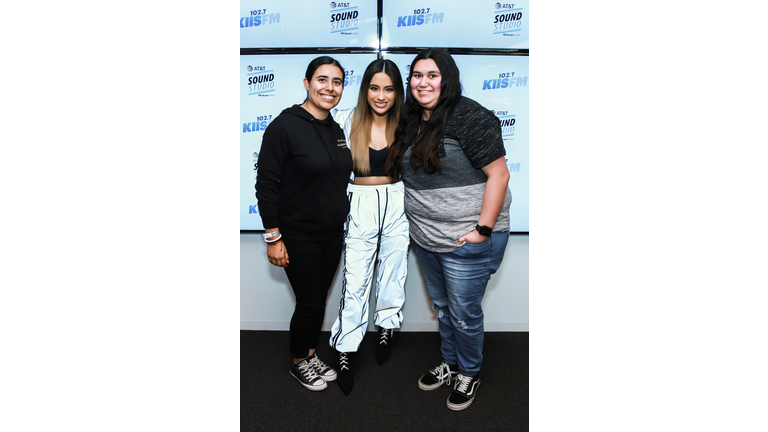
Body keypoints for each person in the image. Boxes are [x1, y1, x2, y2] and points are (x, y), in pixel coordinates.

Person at [385, 48, 512, 411]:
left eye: (432, 75)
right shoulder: (410, 119)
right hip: (426, 238)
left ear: (448, 78)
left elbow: (499, 174)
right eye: (417, 75)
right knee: (443, 308)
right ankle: (451, 363)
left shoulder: (470, 116)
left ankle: (469, 372)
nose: (423, 82)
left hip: (466, 237)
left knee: (463, 313)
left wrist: (482, 230)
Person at [255, 56, 352, 392]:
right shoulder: (284, 126)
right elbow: (266, 185)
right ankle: (299, 361)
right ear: (307, 82)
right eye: (322, 80)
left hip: (331, 234)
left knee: (318, 299)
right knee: (310, 301)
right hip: (297, 235)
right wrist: (273, 237)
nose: (330, 88)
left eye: (337, 82)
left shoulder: (335, 128)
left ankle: (311, 354)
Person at [328, 59, 409, 395]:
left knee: (393, 270)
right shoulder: (345, 119)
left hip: (398, 201)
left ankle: (387, 325)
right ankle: (346, 347)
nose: (381, 95)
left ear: (397, 92)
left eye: (389, 88)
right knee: (356, 277)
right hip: (359, 202)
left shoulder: (407, 123)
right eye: (374, 87)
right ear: (365, 90)